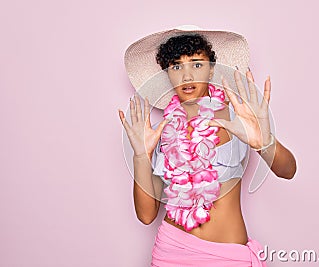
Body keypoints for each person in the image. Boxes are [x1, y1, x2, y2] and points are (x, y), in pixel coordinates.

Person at [118, 26, 297, 267]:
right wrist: (141, 155)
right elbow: (147, 215)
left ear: (212, 69)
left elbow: (288, 171)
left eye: (197, 64)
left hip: (227, 256)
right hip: (171, 252)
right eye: (176, 66)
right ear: (167, 74)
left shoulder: (237, 118)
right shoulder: (163, 132)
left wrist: (264, 142)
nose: (187, 75)